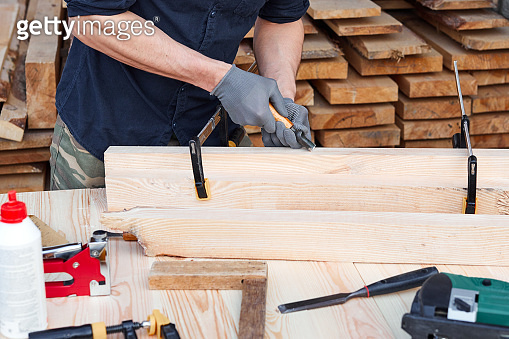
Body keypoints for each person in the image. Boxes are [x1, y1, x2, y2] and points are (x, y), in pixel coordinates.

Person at [50, 0, 312, 190]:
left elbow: (281, 18)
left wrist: (283, 101)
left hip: (207, 134)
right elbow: (92, 18)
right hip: (107, 132)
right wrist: (220, 78)